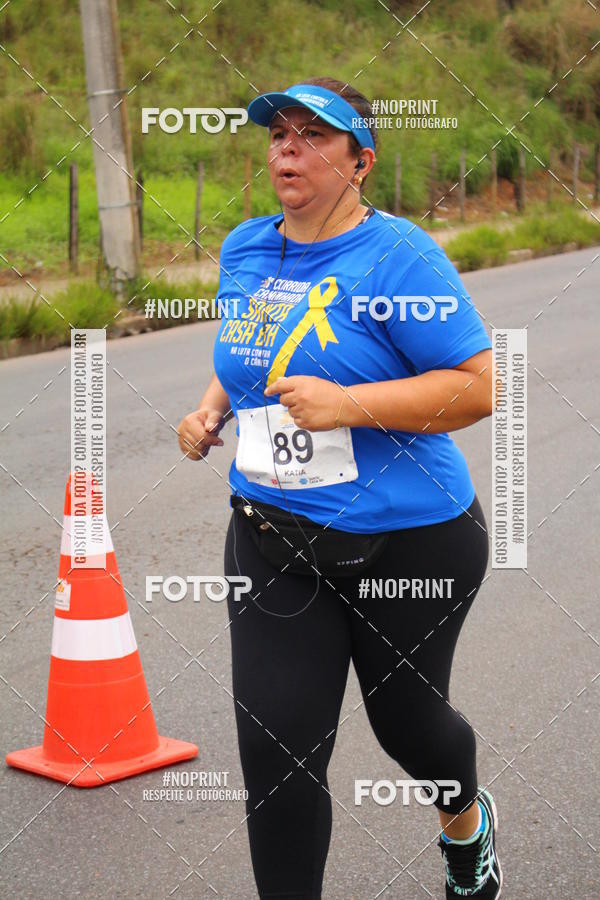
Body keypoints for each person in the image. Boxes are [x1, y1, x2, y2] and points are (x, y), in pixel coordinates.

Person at [177, 76, 503, 899]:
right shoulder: (248, 245)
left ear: (361, 161)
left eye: (313, 136)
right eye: (279, 135)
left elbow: (481, 386)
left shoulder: (399, 256)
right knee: (277, 755)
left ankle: (465, 823)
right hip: (274, 536)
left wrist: (350, 405)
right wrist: (212, 408)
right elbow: (250, 351)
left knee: (412, 730)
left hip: (411, 538)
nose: (289, 147)